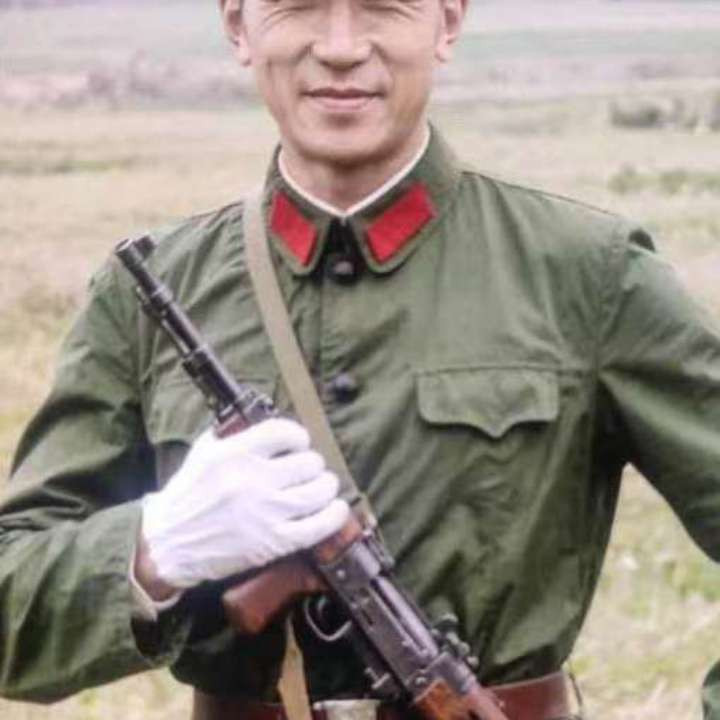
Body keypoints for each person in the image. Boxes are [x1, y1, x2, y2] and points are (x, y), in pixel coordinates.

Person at [1, 0, 720, 718]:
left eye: (383, 6)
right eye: (299, 7)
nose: (341, 46)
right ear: (237, 25)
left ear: (447, 22)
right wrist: (156, 548)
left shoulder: (589, 271)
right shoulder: (149, 291)